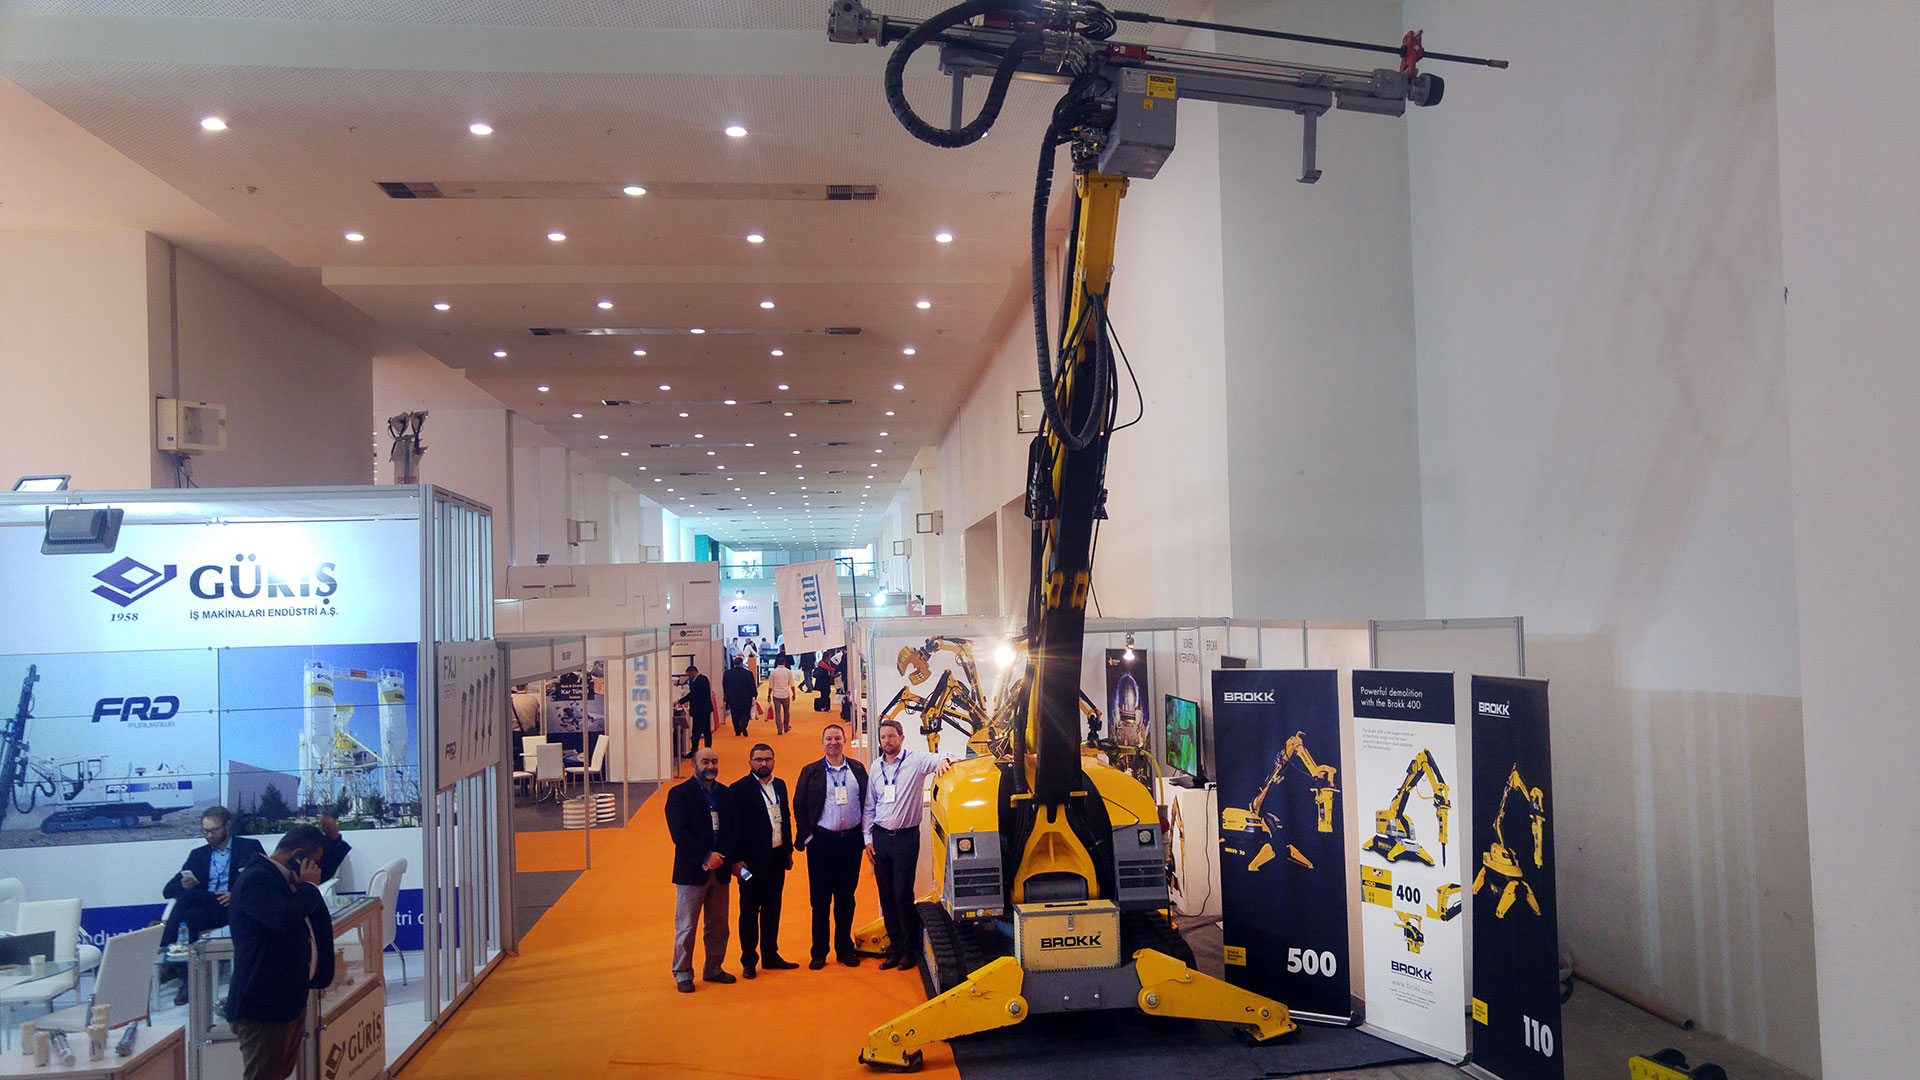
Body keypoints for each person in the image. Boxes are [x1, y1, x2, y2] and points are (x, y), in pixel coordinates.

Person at [225, 824, 335, 1080]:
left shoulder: (284, 879)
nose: (316, 870)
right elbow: (283, 919)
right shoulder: (257, 879)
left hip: (286, 1001)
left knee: (280, 1073)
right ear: (298, 855)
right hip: (263, 1007)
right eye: (313, 862)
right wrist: (309, 887)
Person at [862, 719, 951, 972]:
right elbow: (869, 806)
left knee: (902, 894)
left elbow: (945, 756)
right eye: (883, 737)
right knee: (886, 895)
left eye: (891, 736)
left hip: (905, 839)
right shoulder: (876, 767)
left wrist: (944, 761)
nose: (887, 741)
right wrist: (868, 839)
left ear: (901, 737)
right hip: (880, 838)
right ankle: (896, 948)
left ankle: (909, 950)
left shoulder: (916, 761)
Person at [664, 747, 740, 992]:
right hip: (691, 871)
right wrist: (706, 856)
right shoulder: (679, 794)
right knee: (687, 926)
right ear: (693, 765)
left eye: (714, 762)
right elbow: (679, 833)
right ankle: (683, 972)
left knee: (719, 925)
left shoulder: (725, 794)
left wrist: (721, 857)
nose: (711, 766)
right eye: (705, 761)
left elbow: (733, 829)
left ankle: (714, 968)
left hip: (720, 869)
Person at [792, 723, 868, 968]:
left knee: (846, 897)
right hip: (821, 843)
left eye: (837, 738)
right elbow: (799, 805)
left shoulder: (857, 769)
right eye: (829, 738)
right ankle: (819, 952)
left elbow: (868, 801)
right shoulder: (811, 771)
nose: (833, 742)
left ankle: (844, 949)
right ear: (822, 742)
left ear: (844, 741)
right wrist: (807, 837)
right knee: (820, 900)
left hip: (851, 843)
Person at [727, 744, 797, 978]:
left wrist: (787, 850)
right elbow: (733, 828)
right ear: (750, 762)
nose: (764, 763)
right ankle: (749, 960)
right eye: (758, 759)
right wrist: (736, 860)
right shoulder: (739, 789)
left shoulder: (780, 785)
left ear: (774, 761)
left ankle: (770, 955)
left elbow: (785, 817)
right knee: (749, 910)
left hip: (776, 858)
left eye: (768, 759)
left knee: (772, 908)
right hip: (750, 863)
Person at [678, 663, 715, 757]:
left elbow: (693, 694)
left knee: (700, 731)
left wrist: (680, 701)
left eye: (689, 675)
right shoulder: (701, 680)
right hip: (702, 710)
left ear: (693, 672)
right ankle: (703, 749)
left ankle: (700, 749)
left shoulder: (701, 680)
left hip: (701, 710)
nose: (689, 677)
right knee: (701, 731)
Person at [721, 656, 758, 738]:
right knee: (745, 713)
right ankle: (743, 724)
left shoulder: (727, 674)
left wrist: (726, 696)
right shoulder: (748, 673)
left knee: (734, 714)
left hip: (732, 697)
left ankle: (737, 730)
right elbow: (752, 685)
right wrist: (754, 694)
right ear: (742, 663)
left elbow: (724, 685)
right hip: (746, 697)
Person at [765, 655, 797, 735]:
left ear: (777, 663)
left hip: (776, 694)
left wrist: (768, 695)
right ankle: (786, 727)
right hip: (785, 694)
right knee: (786, 712)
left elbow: (771, 685)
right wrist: (794, 694)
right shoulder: (788, 672)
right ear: (784, 663)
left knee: (777, 713)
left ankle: (779, 729)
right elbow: (792, 685)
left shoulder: (773, 672)